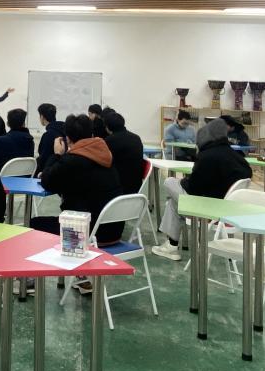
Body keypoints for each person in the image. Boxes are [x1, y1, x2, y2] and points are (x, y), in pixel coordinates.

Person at [32, 114, 123, 293]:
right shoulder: (105, 156)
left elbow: (47, 181)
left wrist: (57, 155)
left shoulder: (72, 161)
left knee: (34, 225)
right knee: (80, 211)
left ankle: (27, 283)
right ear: (91, 134)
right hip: (113, 232)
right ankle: (82, 277)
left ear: (68, 139)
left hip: (84, 236)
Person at [151, 118, 252, 261]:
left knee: (169, 182)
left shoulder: (207, 156)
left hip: (208, 208)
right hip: (229, 208)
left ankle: (172, 247)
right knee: (174, 202)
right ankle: (171, 246)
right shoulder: (237, 157)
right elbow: (247, 173)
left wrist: (183, 182)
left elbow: (193, 188)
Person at [103, 109, 145, 193]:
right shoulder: (136, 138)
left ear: (108, 127)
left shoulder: (109, 141)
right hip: (136, 186)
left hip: (118, 188)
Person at [35, 103, 65, 176]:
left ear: (42, 116)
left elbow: (43, 159)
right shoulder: (64, 130)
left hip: (48, 174)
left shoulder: (48, 135)